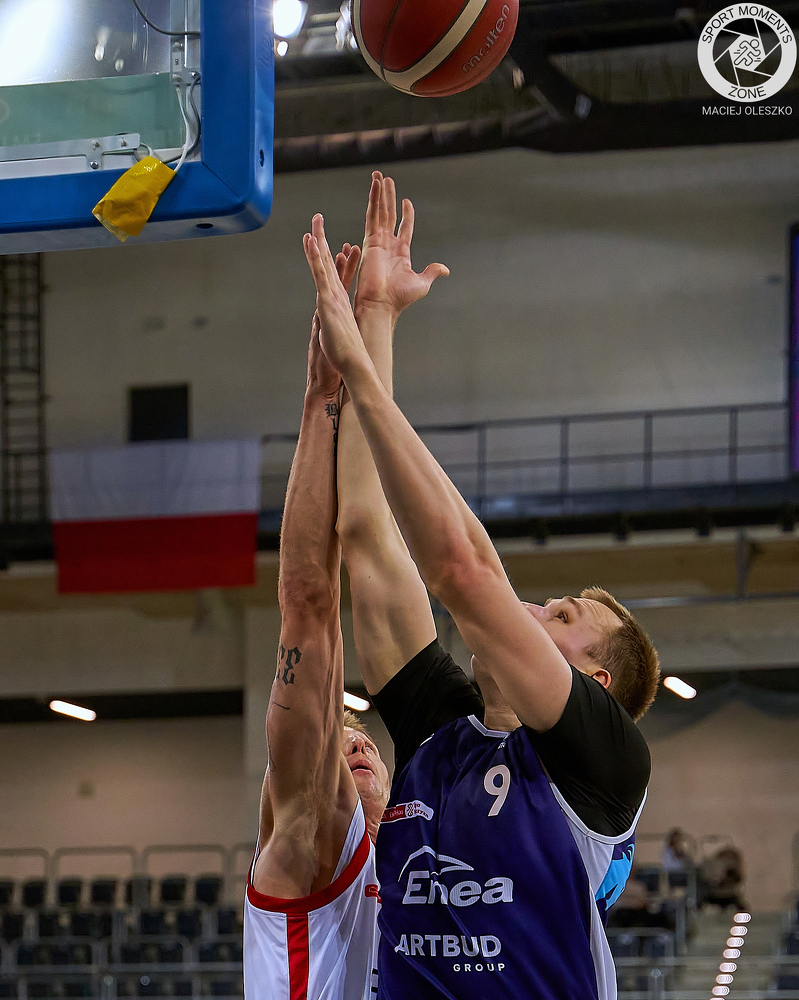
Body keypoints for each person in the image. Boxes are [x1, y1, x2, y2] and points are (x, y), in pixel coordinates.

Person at [304, 173, 661, 1000]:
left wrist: (358, 370)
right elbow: (366, 535)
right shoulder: (442, 730)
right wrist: (376, 316)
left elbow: (463, 571)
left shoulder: (602, 761)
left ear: (593, 683)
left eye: (560, 615)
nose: (530, 606)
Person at [243, 246, 391, 1000]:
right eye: (347, 741)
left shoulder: (433, 879)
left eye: (368, 744)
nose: (356, 746)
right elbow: (308, 604)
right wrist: (321, 397)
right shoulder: (315, 834)